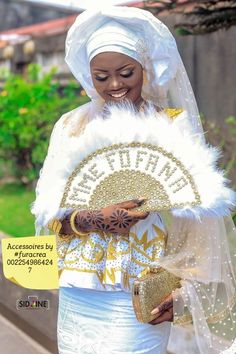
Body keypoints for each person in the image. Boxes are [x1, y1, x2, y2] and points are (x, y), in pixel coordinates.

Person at [31, 6, 236, 354]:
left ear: (145, 68)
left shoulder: (171, 124)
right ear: (88, 76)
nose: (114, 85)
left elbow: (198, 225)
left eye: (126, 72)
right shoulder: (70, 126)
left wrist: (185, 293)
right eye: (101, 76)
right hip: (79, 291)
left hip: (140, 291)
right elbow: (47, 212)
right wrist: (93, 219)